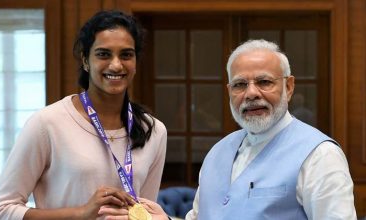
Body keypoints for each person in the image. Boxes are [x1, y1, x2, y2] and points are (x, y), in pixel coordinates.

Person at [114, 39, 356, 220]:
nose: (251, 93)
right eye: (240, 84)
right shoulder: (218, 152)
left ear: (289, 87)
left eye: (264, 82)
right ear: (229, 91)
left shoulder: (320, 155)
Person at [0, 10, 167, 220]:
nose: (116, 64)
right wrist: (81, 214)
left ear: (136, 62)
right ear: (85, 60)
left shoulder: (153, 130)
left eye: (126, 55)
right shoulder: (47, 123)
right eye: (103, 54)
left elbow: (146, 212)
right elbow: (1, 212)